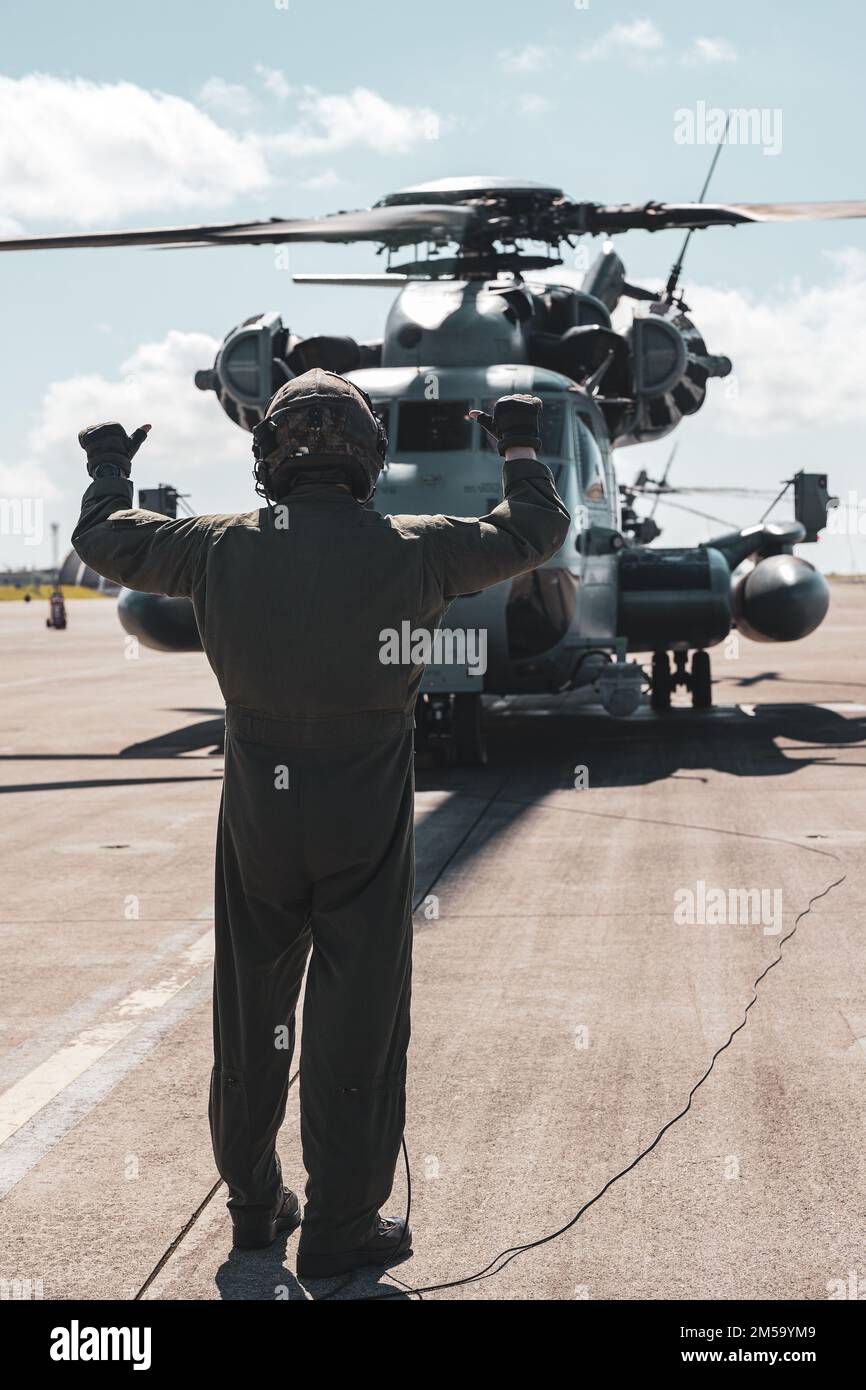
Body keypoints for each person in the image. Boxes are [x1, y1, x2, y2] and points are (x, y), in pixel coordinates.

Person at [72, 370, 570, 1278]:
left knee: (250, 1008)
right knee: (358, 1018)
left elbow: (104, 539)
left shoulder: (215, 547)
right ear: (367, 458)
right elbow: (534, 533)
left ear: (270, 457)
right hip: (364, 816)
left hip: (260, 816)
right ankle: (344, 1226)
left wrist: (111, 463)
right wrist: (522, 447)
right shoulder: (418, 548)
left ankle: (256, 1206)